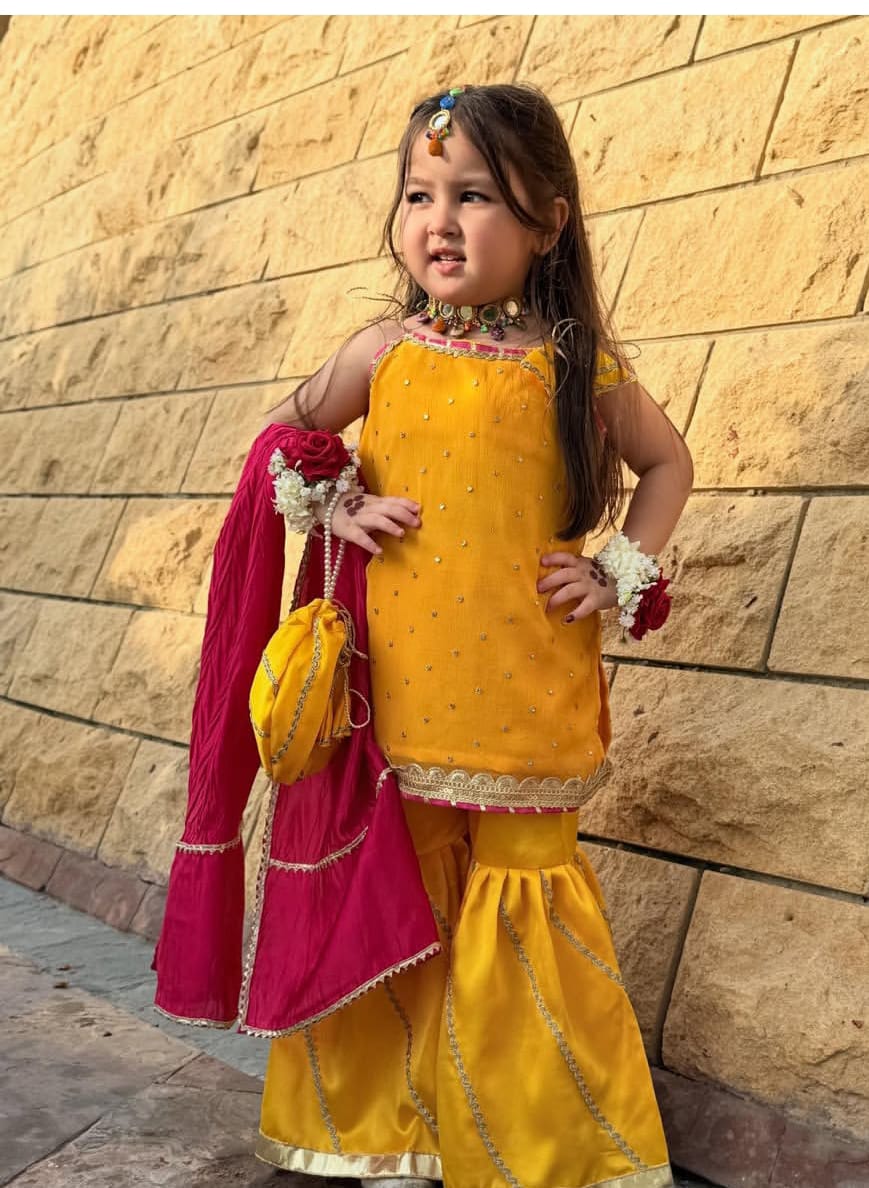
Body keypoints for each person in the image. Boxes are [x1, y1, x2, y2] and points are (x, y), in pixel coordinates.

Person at [253, 83, 692, 1188]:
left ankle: (541, 1148)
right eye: (419, 194)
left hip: (526, 692)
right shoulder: (381, 350)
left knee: (523, 887)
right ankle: (383, 1132)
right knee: (399, 889)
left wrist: (615, 570)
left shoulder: (576, 365)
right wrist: (336, 504)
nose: (438, 221)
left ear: (547, 223)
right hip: (394, 696)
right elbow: (284, 438)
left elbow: (666, 464)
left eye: (475, 196)